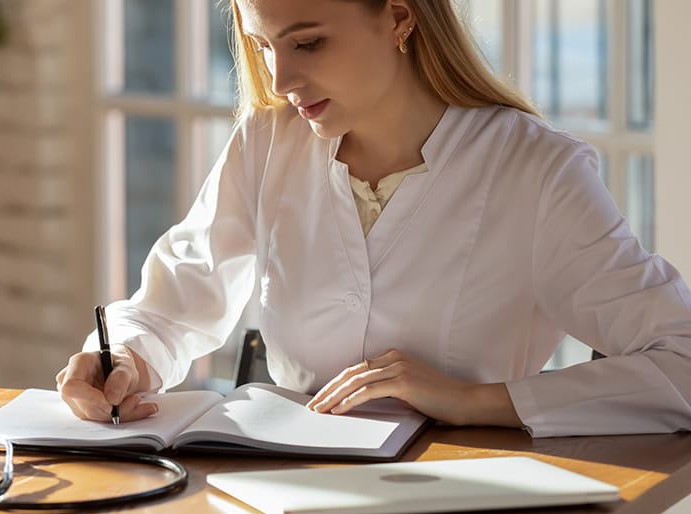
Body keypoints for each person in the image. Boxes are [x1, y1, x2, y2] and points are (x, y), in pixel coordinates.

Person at [57, 0, 691, 438]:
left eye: (307, 42)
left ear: (398, 18)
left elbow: (681, 363)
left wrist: (471, 402)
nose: (280, 80)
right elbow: (174, 305)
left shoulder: (537, 170)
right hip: (283, 491)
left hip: (467, 496)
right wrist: (126, 360)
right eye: (261, 45)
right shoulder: (267, 143)